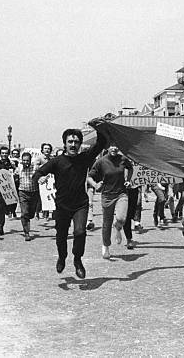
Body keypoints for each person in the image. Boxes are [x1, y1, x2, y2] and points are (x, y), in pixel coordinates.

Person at [33, 119, 107, 278]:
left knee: (80, 231)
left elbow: (101, 143)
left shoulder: (85, 158)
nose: (73, 144)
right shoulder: (56, 162)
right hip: (62, 205)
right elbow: (38, 173)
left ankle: (78, 260)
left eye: (76, 142)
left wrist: (97, 127)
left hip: (80, 204)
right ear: (65, 144)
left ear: (80, 144)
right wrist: (39, 178)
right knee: (61, 235)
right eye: (70, 142)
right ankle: (62, 256)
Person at [87, 144, 134, 257]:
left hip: (121, 194)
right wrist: (95, 185)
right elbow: (89, 177)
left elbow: (131, 168)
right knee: (106, 223)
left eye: (117, 146)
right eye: (112, 146)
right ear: (107, 147)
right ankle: (106, 246)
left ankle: (117, 227)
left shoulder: (123, 159)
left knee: (121, 218)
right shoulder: (101, 161)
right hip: (107, 196)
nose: (114, 148)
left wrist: (128, 180)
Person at [0, 146, 16, 235]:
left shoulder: (12, 164)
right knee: (0, 207)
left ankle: (9, 211)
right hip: (0, 190)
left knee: (10, 207)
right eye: (3, 153)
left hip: (10, 190)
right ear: (0, 154)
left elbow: (16, 174)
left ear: (8, 154)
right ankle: (0, 226)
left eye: (6, 153)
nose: (4, 155)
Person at [16, 152, 39, 241]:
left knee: (31, 214)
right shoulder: (19, 168)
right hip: (23, 193)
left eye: (27, 160)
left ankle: (29, 219)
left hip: (34, 193)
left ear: (30, 160)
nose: (25, 162)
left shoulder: (35, 168)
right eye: (24, 160)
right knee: (24, 213)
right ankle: (26, 232)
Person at [34, 143, 53, 219]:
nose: (47, 150)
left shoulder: (52, 159)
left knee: (48, 196)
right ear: (42, 150)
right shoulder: (39, 158)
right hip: (41, 179)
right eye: (45, 148)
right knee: (40, 197)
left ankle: (46, 214)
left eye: (48, 148)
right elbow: (36, 168)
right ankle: (37, 212)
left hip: (50, 180)